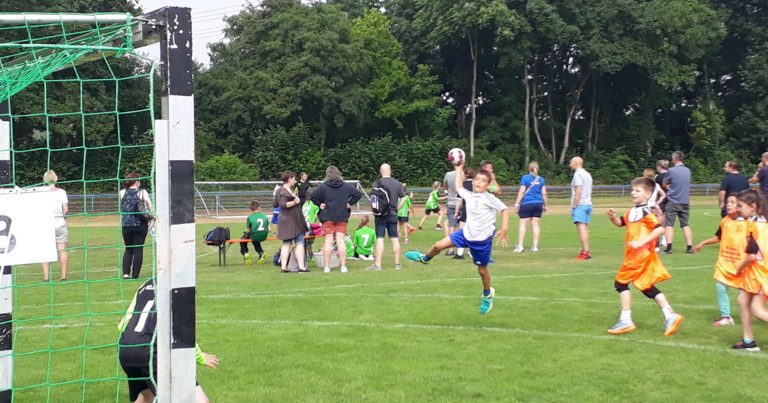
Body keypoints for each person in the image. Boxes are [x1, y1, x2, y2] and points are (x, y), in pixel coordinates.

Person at [406, 161, 509, 314]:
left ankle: (487, 294)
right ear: (473, 182)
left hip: (481, 241)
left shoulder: (489, 198)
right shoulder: (470, 195)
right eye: (477, 179)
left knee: (482, 270)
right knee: (437, 246)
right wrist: (459, 168)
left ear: (488, 185)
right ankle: (424, 259)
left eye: (483, 180)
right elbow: (459, 186)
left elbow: (505, 210)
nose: (479, 182)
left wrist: (505, 228)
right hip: (465, 234)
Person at [605, 177, 684, 336]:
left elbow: (659, 229)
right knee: (646, 286)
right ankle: (670, 315)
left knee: (620, 283)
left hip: (639, 256)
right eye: (632, 190)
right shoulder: (631, 211)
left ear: (648, 194)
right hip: (635, 255)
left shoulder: (646, 211)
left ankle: (626, 319)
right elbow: (621, 223)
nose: (633, 193)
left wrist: (641, 242)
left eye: (637, 191)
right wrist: (613, 217)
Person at [118, 278, 219, 403]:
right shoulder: (180, 287)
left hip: (126, 348)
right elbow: (183, 333)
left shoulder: (144, 285)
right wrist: (200, 357)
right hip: (149, 352)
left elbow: (122, 325)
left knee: (146, 396)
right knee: (199, 400)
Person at [693, 193, 745, 326]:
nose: (728, 204)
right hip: (725, 261)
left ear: (740, 206)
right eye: (728, 202)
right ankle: (726, 317)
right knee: (721, 286)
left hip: (743, 264)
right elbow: (718, 237)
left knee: (745, 293)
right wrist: (702, 243)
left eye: (732, 202)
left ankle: (753, 313)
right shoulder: (725, 221)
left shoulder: (748, 222)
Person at [730, 189, 768, 351]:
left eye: (740, 205)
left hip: (760, 274)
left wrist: (738, 268)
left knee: (757, 310)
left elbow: (751, 256)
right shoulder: (759, 222)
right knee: (742, 301)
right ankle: (748, 341)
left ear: (752, 206)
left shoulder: (755, 226)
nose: (738, 209)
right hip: (754, 273)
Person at [311, 166, 363, 273]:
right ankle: (343, 266)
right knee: (340, 241)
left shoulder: (323, 187)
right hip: (342, 216)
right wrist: (350, 203)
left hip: (328, 216)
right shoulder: (345, 186)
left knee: (328, 241)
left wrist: (320, 204)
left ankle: (326, 266)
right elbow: (358, 194)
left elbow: (313, 195)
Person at [369, 163, 405, 271]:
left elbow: (373, 199)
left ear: (380, 171)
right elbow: (403, 198)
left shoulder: (377, 183)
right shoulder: (397, 183)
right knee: (394, 238)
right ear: (390, 171)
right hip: (393, 213)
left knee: (380, 238)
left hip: (381, 214)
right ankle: (397, 264)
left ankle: (378, 264)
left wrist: (374, 211)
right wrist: (397, 207)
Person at [275, 171, 309, 273]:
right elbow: (282, 204)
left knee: (286, 244)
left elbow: (274, 203)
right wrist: (295, 201)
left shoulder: (280, 190)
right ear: (289, 179)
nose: (295, 181)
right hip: (292, 221)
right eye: (294, 178)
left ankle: (284, 267)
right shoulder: (285, 191)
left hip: (285, 221)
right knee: (299, 243)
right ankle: (301, 267)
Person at [120, 172, 153, 279]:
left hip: (126, 225)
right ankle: (135, 274)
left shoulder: (122, 192)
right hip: (140, 224)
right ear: (136, 181)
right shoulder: (142, 192)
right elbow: (149, 207)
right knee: (138, 249)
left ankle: (125, 273)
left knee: (128, 248)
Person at [513, 161, 548, 253]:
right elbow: (544, 193)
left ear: (529, 168)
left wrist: (517, 203)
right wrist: (545, 205)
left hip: (527, 203)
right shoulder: (541, 179)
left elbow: (521, 191)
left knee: (523, 224)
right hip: (538, 203)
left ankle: (520, 246)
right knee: (535, 225)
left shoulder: (525, 178)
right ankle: (535, 246)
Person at [662, 151, 694, 254]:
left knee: (669, 224)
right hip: (685, 201)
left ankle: (669, 246)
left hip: (673, 201)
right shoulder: (688, 170)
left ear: (675, 159)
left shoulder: (671, 170)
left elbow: (665, 183)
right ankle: (689, 246)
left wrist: (668, 186)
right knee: (685, 224)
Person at [41, 170, 69, 282]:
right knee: (62, 250)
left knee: (45, 251)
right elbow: (66, 210)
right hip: (60, 224)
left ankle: (46, 277)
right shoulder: (61, 192)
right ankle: (63, 276)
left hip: (46, 225)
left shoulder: (41, 192)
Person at [570, 157, 593, 260]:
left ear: (576, 163)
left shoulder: (578, 174)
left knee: (581, 228)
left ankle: (585, 252)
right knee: (585, 228)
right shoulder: (587, 174)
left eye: (571, 163)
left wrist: (575, 205)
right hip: (588, 203)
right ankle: (586, 249)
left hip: (581, 204)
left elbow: (578, 190)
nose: (570, 165)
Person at [453, 167, 475, 260]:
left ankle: (459, 253)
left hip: (466, 209)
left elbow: (459, 200)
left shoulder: (462, 185)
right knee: (473, 231)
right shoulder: (476, 184)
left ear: (465, 175)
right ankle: (473, 251)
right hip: (475, 210)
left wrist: (456, 212)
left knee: (462, 231)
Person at [241, 200, 269, 266]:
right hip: (264, 235)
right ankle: (261, 253)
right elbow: (269, 229)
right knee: (255, 240)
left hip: (255, 235)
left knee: (242, 240)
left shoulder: (250, 217)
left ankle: (245, 253)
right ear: (259, 208)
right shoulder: (264, 216)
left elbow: (248, 230)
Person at [654, 160, 670, 249]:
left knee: (658, 220)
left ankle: (658, 240)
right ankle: (664, 239)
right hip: (670, 200)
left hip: (660, 200)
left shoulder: (658, 177)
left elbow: (655, 189)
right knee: (666, 220)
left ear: (659, 166)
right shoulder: (670, 175)